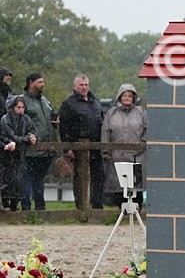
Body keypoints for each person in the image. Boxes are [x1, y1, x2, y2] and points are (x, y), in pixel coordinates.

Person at [59, 74, 105, 210]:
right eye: (81, 85)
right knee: (80, 177)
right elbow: (63, 128)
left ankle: (96, 205)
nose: (84, 87)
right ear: (74, 86)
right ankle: (81, 207)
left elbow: (100, 121)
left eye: (86, 85)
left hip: (96, 145)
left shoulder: (95, 102)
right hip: (77, 146)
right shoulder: (68, 104)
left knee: (99, 176)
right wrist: (68, 148)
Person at [100, 83, 147, 207]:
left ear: (134, 98)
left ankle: (137, 209)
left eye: (129, 96)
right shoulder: (111, 113)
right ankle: (120, 211)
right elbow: (105, 132)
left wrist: (143, 144)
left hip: (137, 156)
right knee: (118, 186)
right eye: (124, 95)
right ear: (119, 97)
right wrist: (106, 152)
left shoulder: (141, 112)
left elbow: (147, 130)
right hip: (116, 157)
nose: (127, 98)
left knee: (136, 185)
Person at [19, 72, 58, 211]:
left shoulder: (45, 101)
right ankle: (26, 209)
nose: (43, 84)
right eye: (40, 82)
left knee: (40, 179)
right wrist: (28, 137)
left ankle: (40, 208)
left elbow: (52, 116)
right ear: (31, 83)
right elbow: (19, 122)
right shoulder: (22, 101)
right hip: (30, 148)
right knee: (27, 179)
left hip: (46, 148)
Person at [0, 95, 37, 211]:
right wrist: (26, 139)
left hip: (20, 155)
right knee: (7, 179)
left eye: (22, 107)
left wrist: (33, 137)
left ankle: (14, 205)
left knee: (19, 180)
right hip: (6, 155)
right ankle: (5, 204)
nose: (21, 110)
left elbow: (33, 131)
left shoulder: (26, 119)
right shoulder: (5, 119)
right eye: (18, 107)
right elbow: (11, 136)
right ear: (12, 107)